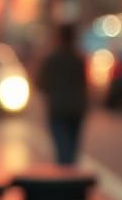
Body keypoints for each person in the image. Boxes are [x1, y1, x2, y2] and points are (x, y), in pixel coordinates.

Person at [37, 23, 88, 165]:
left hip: (58, 108)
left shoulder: (52, 59)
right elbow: (84, 84)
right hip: (76, 108)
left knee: (61, 148)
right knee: (72, 148)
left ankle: (64, 176)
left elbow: (41, 83)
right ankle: (70, 175)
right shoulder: (78, 59)